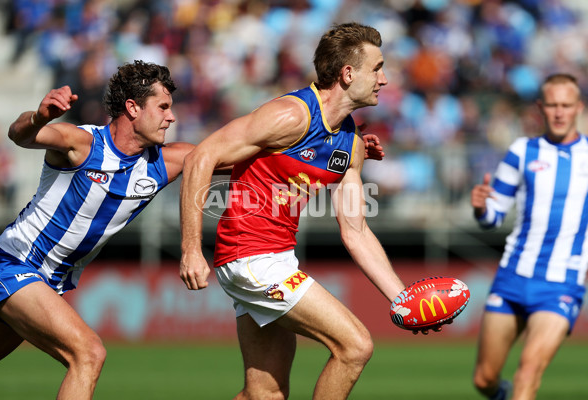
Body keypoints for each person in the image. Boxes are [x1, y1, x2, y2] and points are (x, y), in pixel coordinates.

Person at [179, 22, 440, 400]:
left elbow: (356, 231)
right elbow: (201, 156)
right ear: (348, 74)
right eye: (378, 67)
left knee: (265, 394)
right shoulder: (291, 114)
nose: (385, 78)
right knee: (355, 346)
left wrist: (403, 299)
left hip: (277, 258)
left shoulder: (351, 144)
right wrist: (190, 247)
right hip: (251, 258)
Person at [0, 60, 194, 399]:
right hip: (14, 265)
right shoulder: (82, 143)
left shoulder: (164, 162)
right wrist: (39, 117)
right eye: (163, 107)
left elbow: (226, 150)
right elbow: (20, 134)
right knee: (88, 354)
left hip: (47, 284)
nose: (172, 117)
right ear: (133, 108)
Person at [471, 73, 588, 400]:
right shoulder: (522, 151)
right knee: (484, 379)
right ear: (540, 107)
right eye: (552, 105)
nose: (559, 112)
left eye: (566, 105)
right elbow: (493, 217)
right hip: (513, 277)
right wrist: (482, 208)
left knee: (528, 373)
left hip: (561, 284)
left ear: (579, 107)